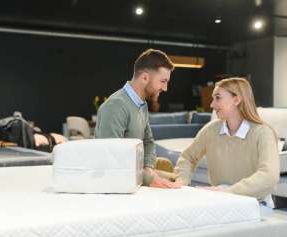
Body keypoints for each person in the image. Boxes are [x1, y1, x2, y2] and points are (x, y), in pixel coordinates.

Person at [174, 77, 279, 202]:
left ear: (236, 99)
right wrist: (181, 182)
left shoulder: (263, 133)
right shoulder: (211, 130)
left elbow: (269, 176)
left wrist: (227, 192)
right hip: (219, 199)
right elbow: (188, 157)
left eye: (218, 98)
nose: (212, 104)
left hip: (255, 203)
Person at [94, 48, 180, 188]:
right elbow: (111, 157)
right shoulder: (116, 105)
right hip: (115, 182)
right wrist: (148, 179)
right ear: (145, 77)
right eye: (163, 81)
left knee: (179, 182)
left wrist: (148, 168)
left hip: (136, 175)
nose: (165, 88)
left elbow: (148, 141)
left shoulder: (141, 104)